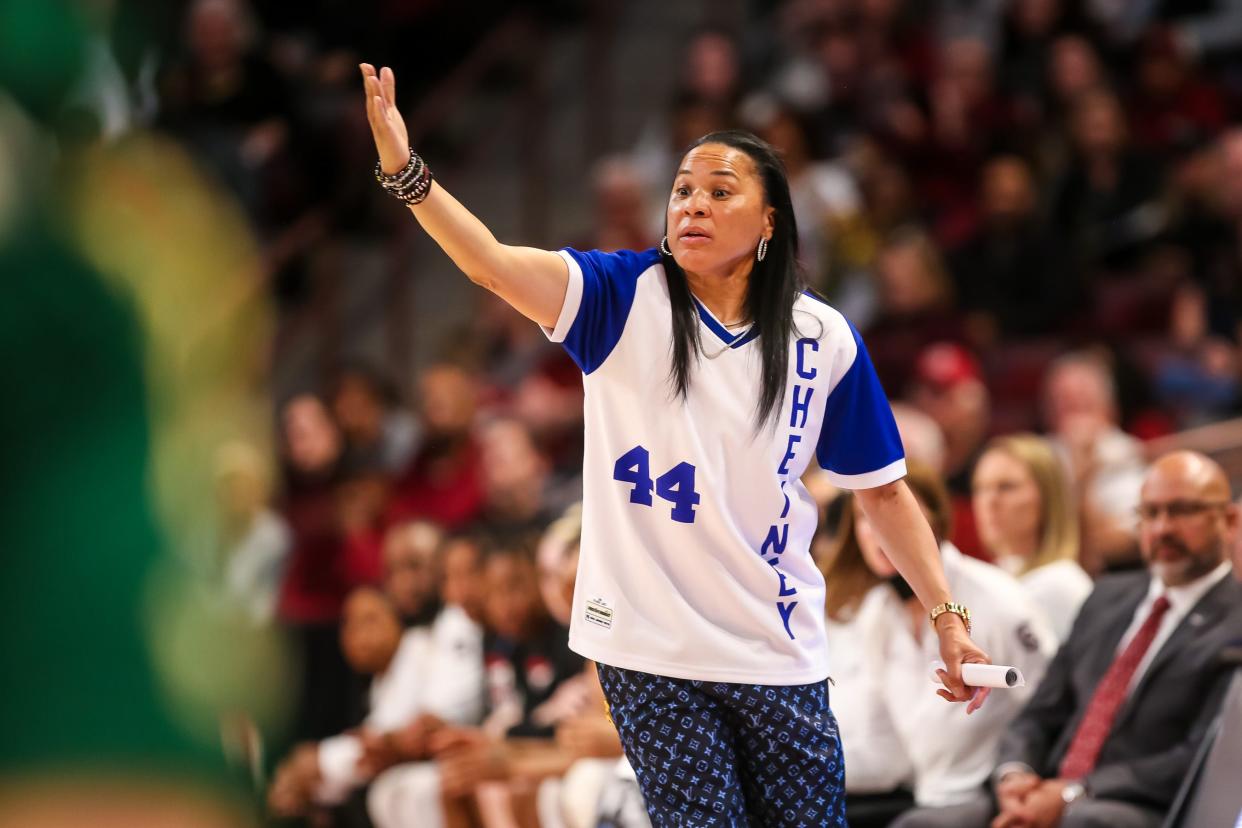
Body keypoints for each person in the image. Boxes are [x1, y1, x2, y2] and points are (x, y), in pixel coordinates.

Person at [358, 62, 991, 825]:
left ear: (769, 224)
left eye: (721, 191)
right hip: (651, 649)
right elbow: (488, 264)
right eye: (684, 188)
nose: (693, 203)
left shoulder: (825, 337)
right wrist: (406, 172)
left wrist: (948, 621)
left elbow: (884, 492)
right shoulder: (619, 296)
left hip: (778, 647)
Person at [914, 450, 1242, 828]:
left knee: (1084, 821)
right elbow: (1041, 709)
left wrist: (1074, 792)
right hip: (1048, 791)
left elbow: (1202, 754)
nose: (1162, 528)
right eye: (1150, 513)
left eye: (1182, 511)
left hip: (1137, 806)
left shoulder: (1235, 623)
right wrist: (1015, 774)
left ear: (1230, 520)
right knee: (925, 823)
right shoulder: (1107, 597)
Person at [822, 463, 1055, 827]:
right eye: (865, 520)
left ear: (933, 524)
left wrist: (1023, 783)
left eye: (891, 517)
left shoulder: (999, 601)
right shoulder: (876, 613)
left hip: (989, 791)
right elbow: (881, 742)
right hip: (921, 793)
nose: (879, 532)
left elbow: (1049, 707)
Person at [972, 434, 1093, 642]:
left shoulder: (1060, 585)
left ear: (1047, 497)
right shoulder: (996, 578)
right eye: (980, 488)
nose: (989, 501)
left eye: (1006, 486)